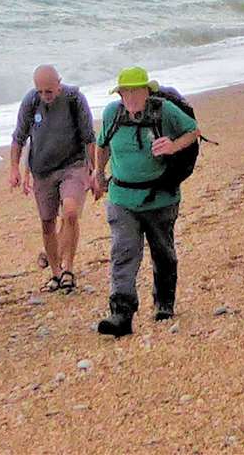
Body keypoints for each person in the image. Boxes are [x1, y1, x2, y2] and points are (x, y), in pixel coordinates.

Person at [93, 66, 200, 337]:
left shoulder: (164, 110)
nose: (128, 97)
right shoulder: (111, 114)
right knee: (123, 252)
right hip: (122, 198)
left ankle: (164, 302)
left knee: (162, 252)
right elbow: (102, 145)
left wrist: (173, 146)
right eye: (123, 92)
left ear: (146, 91)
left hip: (160, 198)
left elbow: (193, 131)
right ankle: (121, 313)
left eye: (133, 91)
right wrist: (98, 173)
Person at [10, 65, 96, 294]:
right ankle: (55, 273)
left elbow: (89, 138)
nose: (44, 96)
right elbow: (19, 137)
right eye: (40, 91)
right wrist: (14, 169)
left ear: (59, 83)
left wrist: (95, 171)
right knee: (47, 222)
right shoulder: (31, 101)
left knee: (70, 212)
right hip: (42, 170)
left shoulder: (74, 99)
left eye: (49, 91)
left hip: (73, 165)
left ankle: (69, 269)